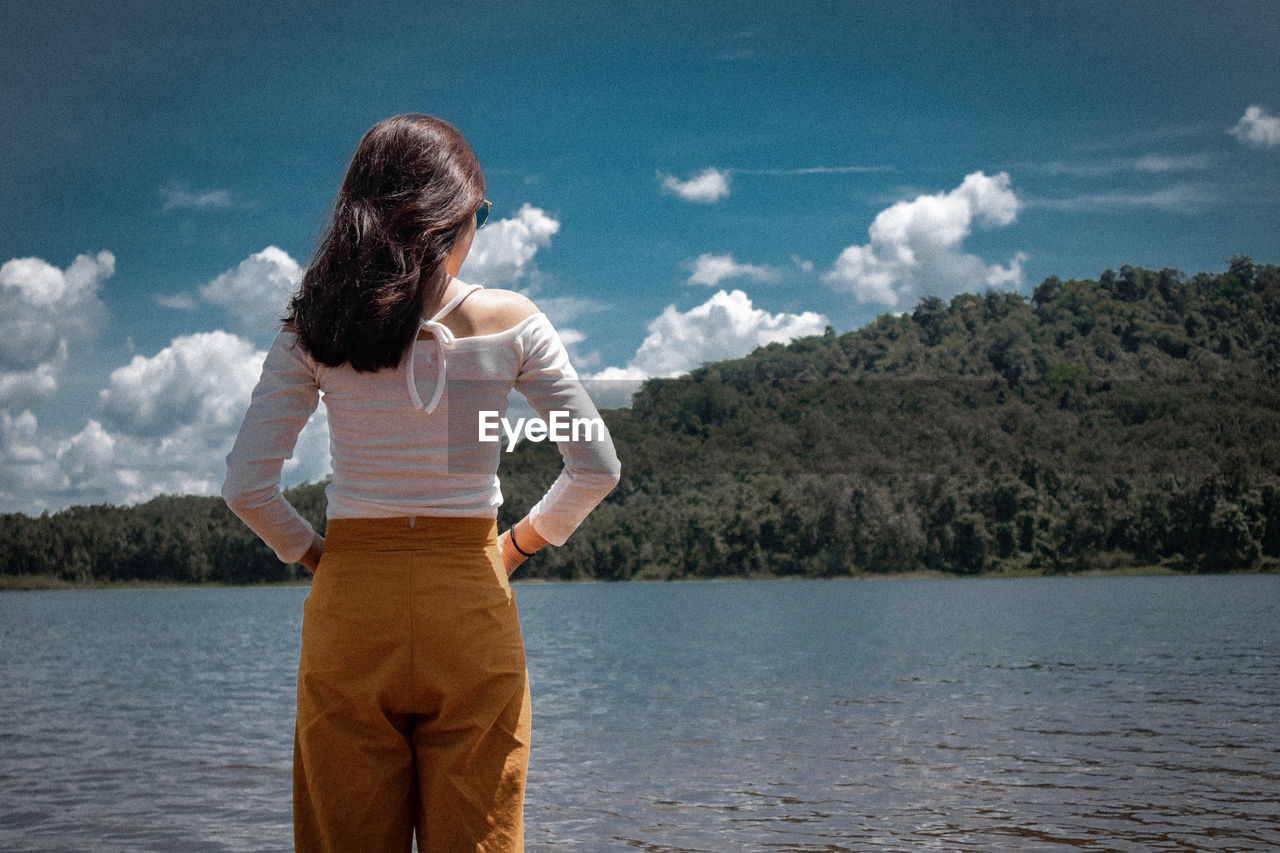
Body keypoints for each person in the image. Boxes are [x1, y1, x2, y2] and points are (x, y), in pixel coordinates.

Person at [222, 113, 621, 853]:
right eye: (481, 212)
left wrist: (319, 555)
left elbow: (247, 486)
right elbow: (596, 468)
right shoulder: (512, 323)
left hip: (352, 604)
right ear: (454, 214)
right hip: (470, 596)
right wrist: (516, 548)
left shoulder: (317, 322)